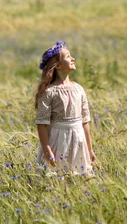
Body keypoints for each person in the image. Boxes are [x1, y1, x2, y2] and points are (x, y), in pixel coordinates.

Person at [34, 41, 96, 175]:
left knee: (79, 176)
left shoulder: (79, 89)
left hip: (78, 140)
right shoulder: (49, 92)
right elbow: (42, 124)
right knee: (57, 176)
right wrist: (47, 149)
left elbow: (85, 122)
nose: (73, 58)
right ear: (57, 65)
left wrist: (89, 149)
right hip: (58, 140)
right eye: (68, 56)